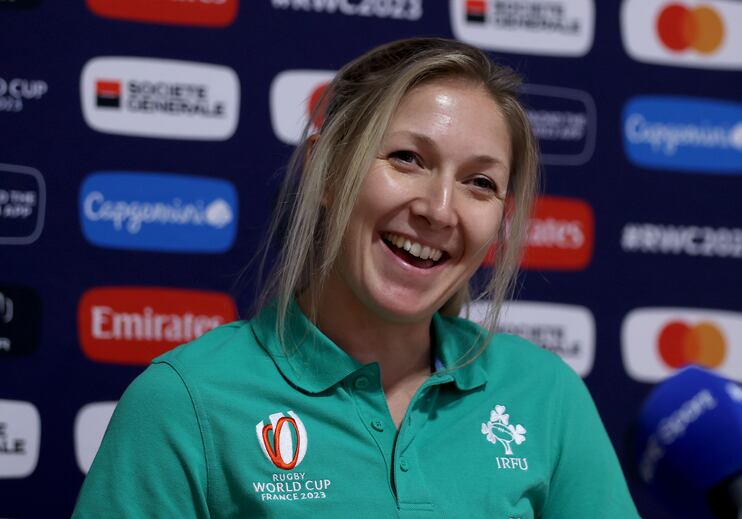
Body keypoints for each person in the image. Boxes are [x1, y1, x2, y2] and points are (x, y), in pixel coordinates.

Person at [73, 37, 640, 518]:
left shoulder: (544, 394)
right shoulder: (185, 402)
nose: (440, 209)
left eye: (480, 183)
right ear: (325, 168)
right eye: (407, 159)